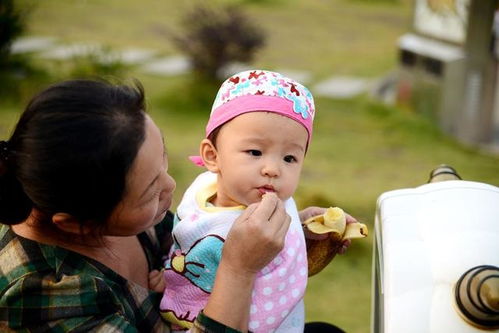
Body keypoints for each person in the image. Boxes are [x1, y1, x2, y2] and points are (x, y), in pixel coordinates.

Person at [0, 79, 301, 332]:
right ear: (77, 224)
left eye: (163, 160)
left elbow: (200, 254)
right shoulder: (43, 298)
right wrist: (239, 270)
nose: (170, 186)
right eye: (149, 192)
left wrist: (280, 238)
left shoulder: (121, 214)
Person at [150, 70, 350, 333]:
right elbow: (187, 245)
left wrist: (300, 230)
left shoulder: (271, 222)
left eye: (289, 158)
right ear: (212, 156)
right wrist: (172, 279)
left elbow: (269, 302)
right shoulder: (203, 191)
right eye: (255, 152)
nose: (272, 169)